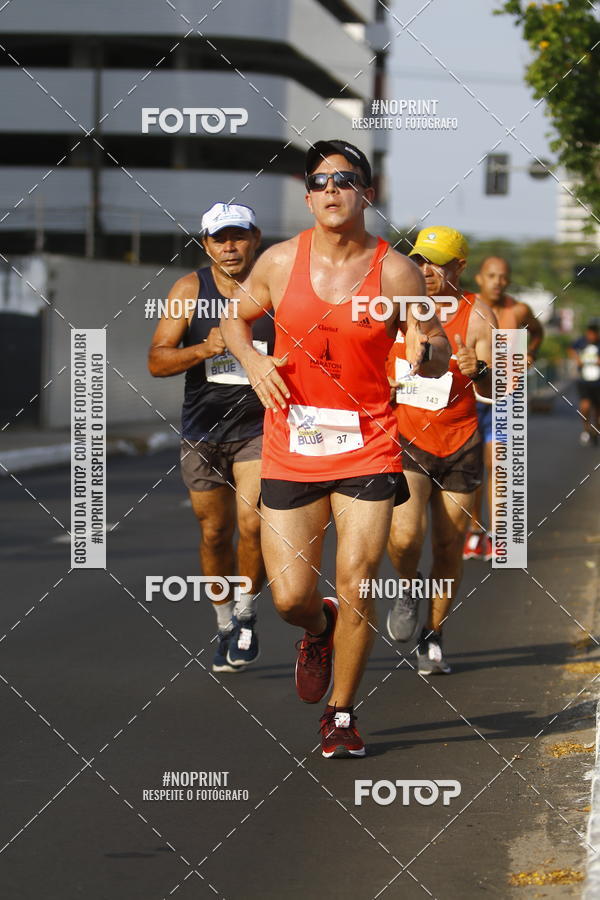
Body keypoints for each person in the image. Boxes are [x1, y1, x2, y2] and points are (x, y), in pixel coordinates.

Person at [220, 139, 450, 758]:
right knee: (290, 596)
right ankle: (317, 629)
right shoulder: (278, 262)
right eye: (319, 181)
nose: (331, 189)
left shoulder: (395, 271)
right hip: (291, 445)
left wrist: (428, 349)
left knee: (358, 581)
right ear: (308, 197)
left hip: (368, 445)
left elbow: (434, 342)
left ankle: (341, 714)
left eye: (344, 180)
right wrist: (253, 362)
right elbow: (234, 320)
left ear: (366, 194)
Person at [148, 202, 274, 672]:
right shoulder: (189, 290)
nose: (230, 246)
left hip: (260, 427)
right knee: (214, 533)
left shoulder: (274, 287)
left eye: (238, 236)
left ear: (255, 238)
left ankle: (246, 615)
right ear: (206, 245)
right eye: (220, 238)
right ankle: (223, 623)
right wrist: (205, 347)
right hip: (203, 431)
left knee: (253, 524)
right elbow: (157, 360)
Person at [385, 227, 496, 674]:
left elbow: (502, 390)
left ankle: (433, 634)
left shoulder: (479, 314)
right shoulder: (397, 306)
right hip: (407, 439)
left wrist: (480, 370)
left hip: (460, 443)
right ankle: (408, 584)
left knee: (448, 545)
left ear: (459, 267)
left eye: (436, 262)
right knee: (405, 537)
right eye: (419, 261)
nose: (425, 270)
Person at [463, 256, 544, 560]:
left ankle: (498, 535)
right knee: (471, 467)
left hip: (504, 396)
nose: (498, 282)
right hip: (471, 397)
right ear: (480, 278)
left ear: (508, 281)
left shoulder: (518, 310)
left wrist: (530, 353)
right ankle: (474, 531)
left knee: (497, 464)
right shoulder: (467, 307)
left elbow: (537, 332)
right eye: (491, 276)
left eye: (503, 277)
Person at [569, 321, 600, 446]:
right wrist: (577, 359)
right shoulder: (581, 341)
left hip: (598, 382)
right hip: (584, 380)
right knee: (585, 406)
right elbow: (571, 349)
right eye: (590, 332)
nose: (592, 335)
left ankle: (595, 430)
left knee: (597, 410)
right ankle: (586, 428)